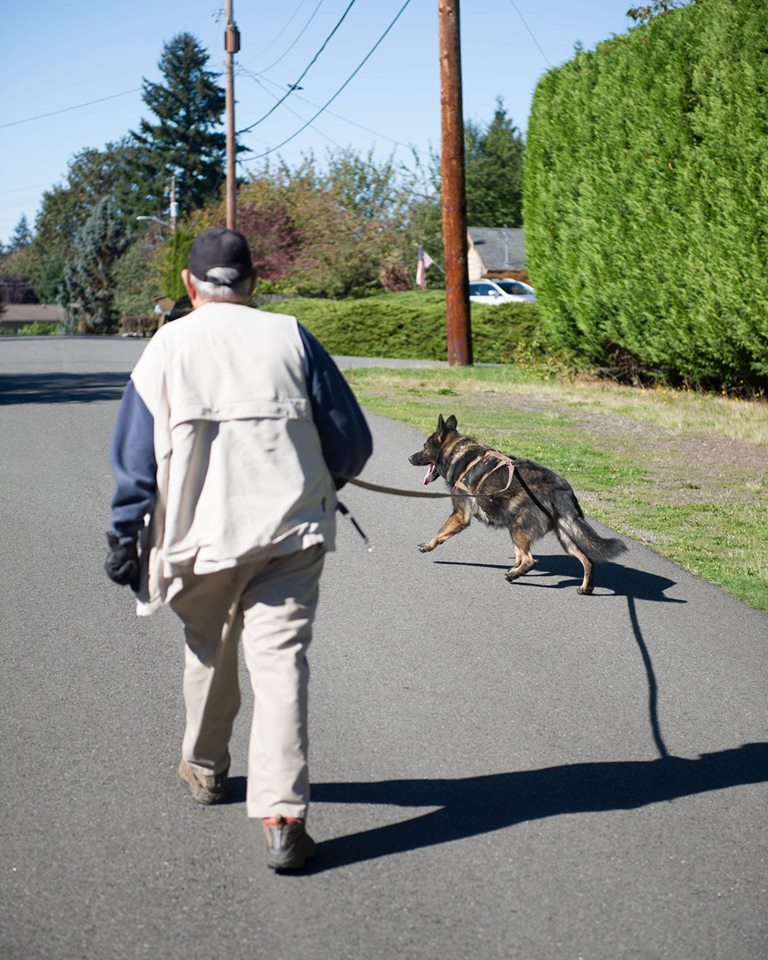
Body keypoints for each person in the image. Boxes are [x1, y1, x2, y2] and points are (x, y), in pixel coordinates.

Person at [105, 226, 372, 872]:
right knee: (280, 665)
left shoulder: (166, 347)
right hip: (289, 534)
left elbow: (134, 461)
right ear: (253, 282)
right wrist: (321, 479)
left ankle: (205, 766)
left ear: (189, 285)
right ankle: (282, 817)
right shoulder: (291, 337)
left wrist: (123, 533)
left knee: (209, 648)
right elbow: (352, 444)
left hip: (198, 540)